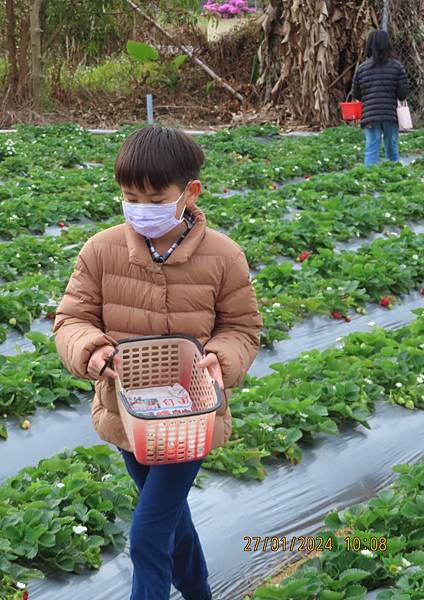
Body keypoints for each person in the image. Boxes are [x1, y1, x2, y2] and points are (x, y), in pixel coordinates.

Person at [52, 126, 263, 600]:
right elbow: (71, 319)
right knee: (173, 522)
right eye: (130, 196)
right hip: (129, 416)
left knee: (148, 533)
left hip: (191, 418)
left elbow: (243, 329)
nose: (140, 208)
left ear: (190, 192)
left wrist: (219, 359)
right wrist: (92, 349)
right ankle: (199, 593)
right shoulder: (101, 251)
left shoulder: (224, 257)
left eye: (154, 197)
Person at [352, 29, 409, 166]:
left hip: (370, 115)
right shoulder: (397, 66)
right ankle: (395, 178)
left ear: (369, 45)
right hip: (390, 114)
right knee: (391, 147)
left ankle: (369, 182)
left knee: (371, 147)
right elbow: (403, 94)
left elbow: (356, 94)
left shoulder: (362, 68)